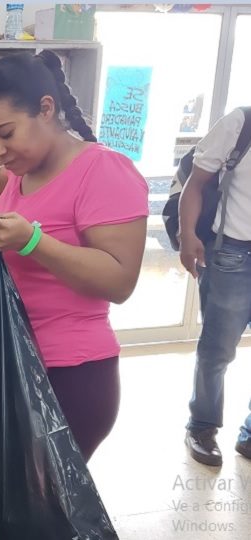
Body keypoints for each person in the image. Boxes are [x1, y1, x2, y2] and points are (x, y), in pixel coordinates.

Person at [0, 50, 149, 461]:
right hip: (15, 364)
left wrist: (31, 242)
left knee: (40, 516)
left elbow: (119, 280)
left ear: (46, 109)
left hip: (69, 377)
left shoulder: (103, 171)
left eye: (6, 134)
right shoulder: (25, 170)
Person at [179, 106, 251, 467]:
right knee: (218, 350)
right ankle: (202, 426)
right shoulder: (241, 123)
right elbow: (196, 183)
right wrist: (187, 233)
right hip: (233, 255)